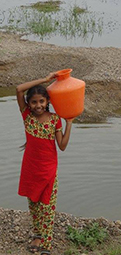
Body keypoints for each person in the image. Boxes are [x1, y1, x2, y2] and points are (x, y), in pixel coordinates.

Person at [16, 72, 74, 255]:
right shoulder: (27, 115)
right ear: (29, 104)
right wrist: (45, 80)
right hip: (30, 169)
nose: (38, 105)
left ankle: (46, 245)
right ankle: (38, 234)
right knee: (33, 204)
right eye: (34, 102)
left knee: (47, 207)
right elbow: (19, 89)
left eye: (41, 101)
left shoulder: (55, 120)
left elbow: (62, 146)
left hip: (48, 170)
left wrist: (69, 123)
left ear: (47, 101)